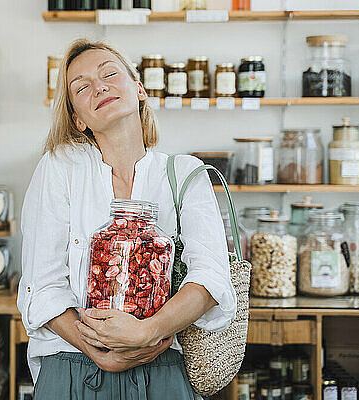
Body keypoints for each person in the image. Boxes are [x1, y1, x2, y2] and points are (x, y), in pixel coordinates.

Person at [17, 38, 237, 399]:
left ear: (139, 90)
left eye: (109, 74)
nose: (99, 86)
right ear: (78, 118)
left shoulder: (186, 173)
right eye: (81, 87)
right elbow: (41, 287)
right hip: (72, 367)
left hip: (163, 369)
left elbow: (211, 278)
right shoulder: (60, 168)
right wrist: (95, 348)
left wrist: (148, 332)